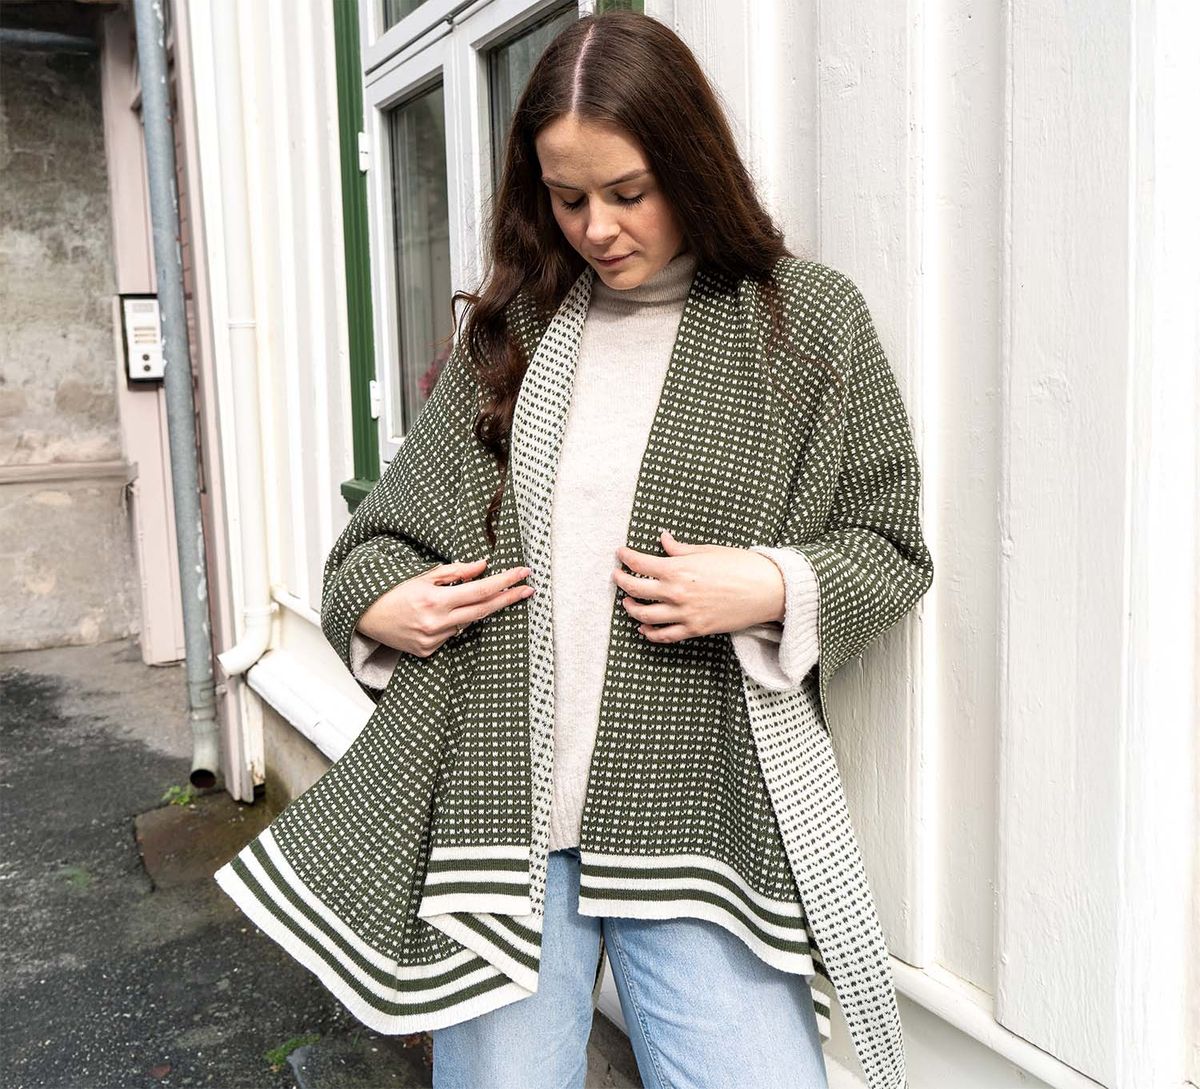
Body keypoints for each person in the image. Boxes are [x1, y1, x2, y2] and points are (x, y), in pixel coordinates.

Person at [213, 11, 932, 1089]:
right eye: (567, 197)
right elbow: (375, 543)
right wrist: (387, 604)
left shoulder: (803, 323)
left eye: (628, 192)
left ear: (692, 165)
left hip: (698, 809)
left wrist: (769, 582)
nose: (598, 227)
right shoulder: (518, 331)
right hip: (505, 815)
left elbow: (891, 543)